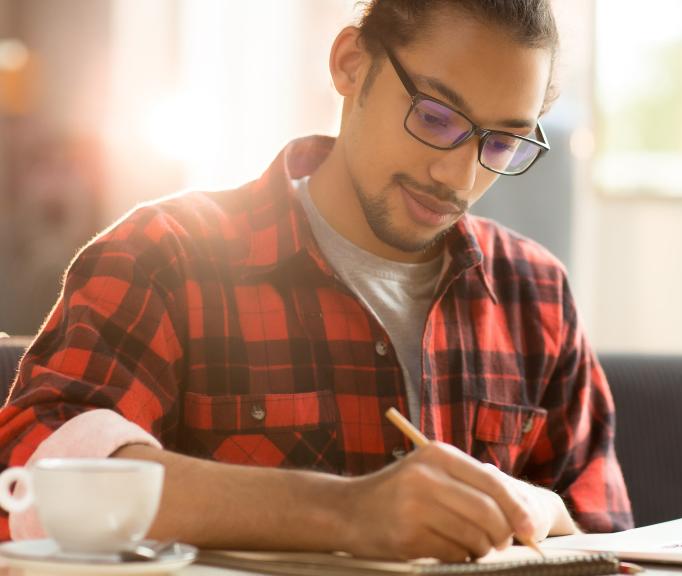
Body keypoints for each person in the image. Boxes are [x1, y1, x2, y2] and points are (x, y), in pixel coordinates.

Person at [0, 0, 633, 560]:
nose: (457, 178)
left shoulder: (536, 293)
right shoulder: (165, 255)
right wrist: (345, 512)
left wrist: (542, 511)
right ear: (351, 63)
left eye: (500, 144)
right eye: (437, 118)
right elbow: (31, 470)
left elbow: (613, 543)